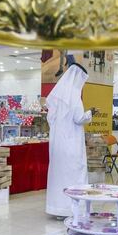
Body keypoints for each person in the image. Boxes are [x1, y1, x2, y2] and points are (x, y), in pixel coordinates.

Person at [45, 63, 94, 216]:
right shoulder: (74, 96)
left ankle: (57, 207)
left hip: (58, 143)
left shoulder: (57, 96)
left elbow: (50, 118)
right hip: (71, 143)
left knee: (59, 175)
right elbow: (79, 118)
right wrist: (91, 113)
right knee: (74, 174)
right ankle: (71, 209)